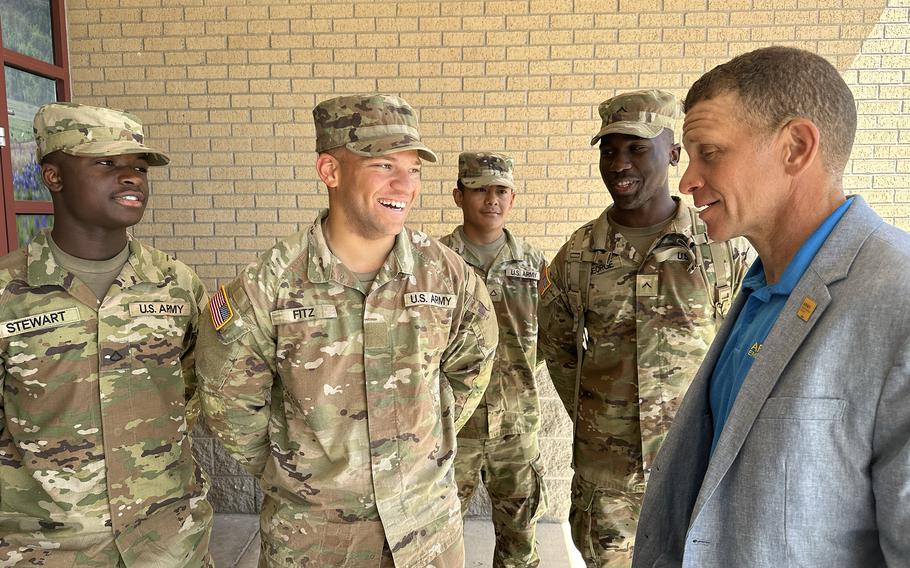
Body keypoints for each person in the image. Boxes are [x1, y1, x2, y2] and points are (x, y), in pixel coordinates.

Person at [632, 46, 910, 568]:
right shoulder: (760, 290)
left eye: (710, 152)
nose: (688, 180)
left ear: (796, 148)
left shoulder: (898, 297)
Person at [196, 93, 498, 567]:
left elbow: (470, 371)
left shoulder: (451, 277)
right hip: (314, 542)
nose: (406, 184)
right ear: (330, 172)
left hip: (427, 534)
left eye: (414, 168)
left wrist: (416, 450)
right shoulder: (267, 286)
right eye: (383, 165)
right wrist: (302, 477)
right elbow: (229, 404)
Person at [537, 89, 752, 567]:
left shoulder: (719, 248)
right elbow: (557, 348)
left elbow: (746, 349)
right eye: (609, 150)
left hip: (696, 469)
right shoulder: (578, 255)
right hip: (608, 481)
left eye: (637, 148)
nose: (620, 164)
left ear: (674, 154)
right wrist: (599, 418)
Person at [0, 102, 212, 566]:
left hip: (168, 541)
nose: (132, 176)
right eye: (107, 163)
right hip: (47, 547)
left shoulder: (176, 284)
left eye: (138, 166)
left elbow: (192, 389)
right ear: (53, 177)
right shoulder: (7, 292)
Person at [440, 152, 548, 568]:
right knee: (438, 539)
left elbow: (550, 339)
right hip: (453, 426)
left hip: (516, 428)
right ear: (458, 196)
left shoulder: (535, 265)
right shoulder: (433, 263)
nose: (491, 199)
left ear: (513, 197)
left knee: (519, 543)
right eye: (479, 189)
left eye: (500, 190)